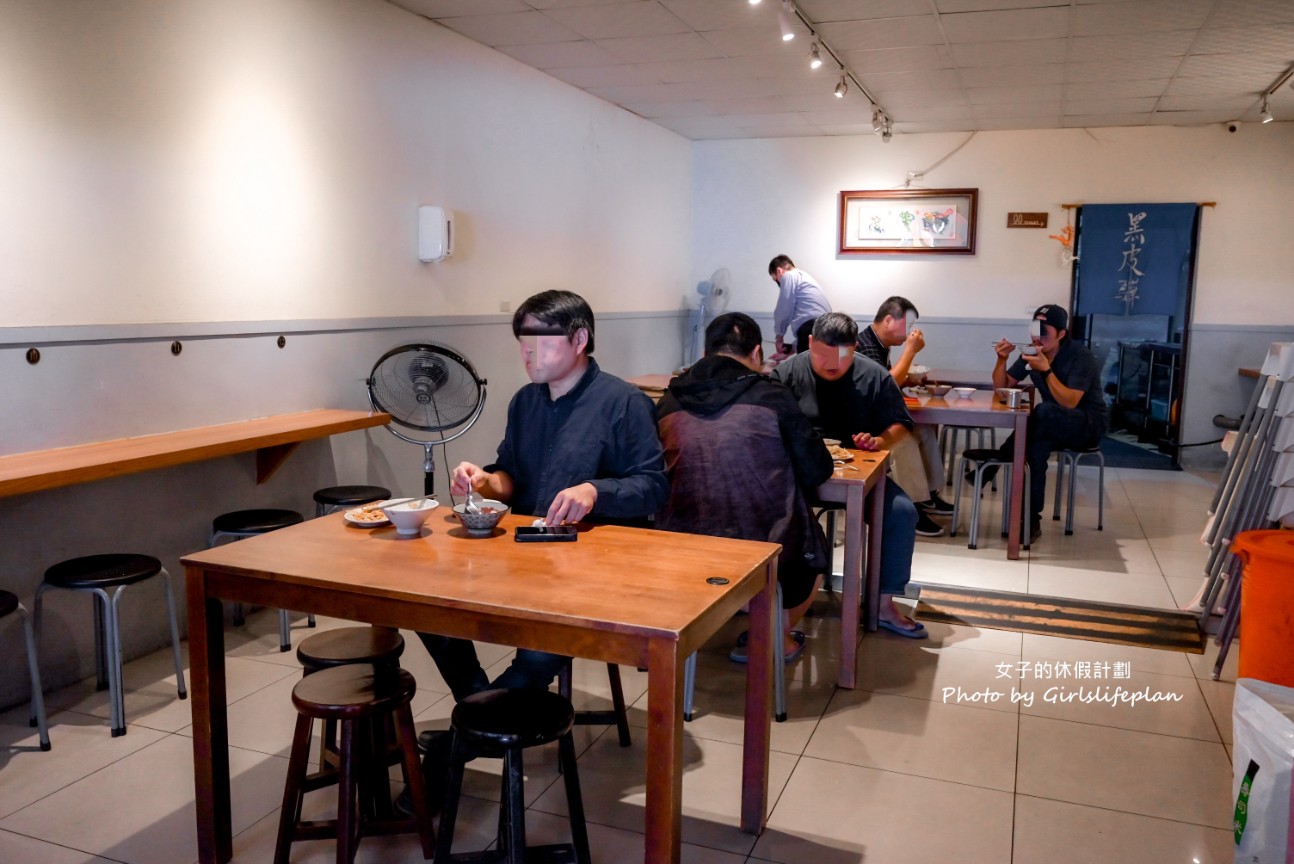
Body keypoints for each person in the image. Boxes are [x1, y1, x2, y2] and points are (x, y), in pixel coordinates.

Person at [403, 290, 670, 811]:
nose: (527, 354)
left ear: (579, 340)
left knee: (540, 647)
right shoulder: (526, 401)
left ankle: (463, 742)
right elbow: (511, 476)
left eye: (539, 342)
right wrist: (483, 480)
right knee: (426, 607)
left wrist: (596, 490)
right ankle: (483, 711)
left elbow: (653, 486)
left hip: (591, 565)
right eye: (521, 343)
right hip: (523, 552)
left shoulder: (624, 402)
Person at [657, 312, 834, 662]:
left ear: (705, 353)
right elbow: (816, 470)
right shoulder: (771, 396)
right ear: (756, 353)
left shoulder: (668, 401)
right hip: (764, 550)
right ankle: (771, 639)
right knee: (813, 546)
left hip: (679, 546)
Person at [771, 312, 927, 638]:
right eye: (822, 354)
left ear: (854, 348)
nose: (831, 364)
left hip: (859, 472)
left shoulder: (874, 376)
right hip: (799, 475)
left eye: (841, 356)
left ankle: (883, 603)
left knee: (900, 513)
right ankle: (770, 606)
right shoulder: (787, 373)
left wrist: (880, 441)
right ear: (810, 343)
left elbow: (901, 425)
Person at [986, 304, 1107, 542]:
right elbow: (1002, 390)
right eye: (1034, 329)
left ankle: (994, 463)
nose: (1037, 336)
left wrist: (1047, 371)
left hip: (1088, 424)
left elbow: (1070, 402)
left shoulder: (1080, 356)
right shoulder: (1032, 353)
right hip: (1051, 423)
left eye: (1044, 331)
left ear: (1061, 334)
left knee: (1041, 411)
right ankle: (1030, 521)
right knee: (1035, 448)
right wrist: (1001, 360)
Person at [856, 296, 951, 536]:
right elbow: (885, 386)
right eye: (907, 326)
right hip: (864, 424)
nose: (910, 332)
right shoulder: (864, 345)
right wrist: (910, 351)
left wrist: (908, 378)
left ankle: (929, 495)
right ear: (888, 320)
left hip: (878, 417)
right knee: (904, 439)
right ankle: (913, 506)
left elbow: (887, 379)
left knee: (923, 429)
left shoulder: (880, 344)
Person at [769, 254, 832, 355]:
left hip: (811, 329)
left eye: (775, 278)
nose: (778, 282)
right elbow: (807, 318)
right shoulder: (805, 277)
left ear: (779, 271)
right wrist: (792, 350)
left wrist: (779, 337)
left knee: (806, 368)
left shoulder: (788, 276)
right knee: (825, 366)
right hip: (828, 328)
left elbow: (784, 309)